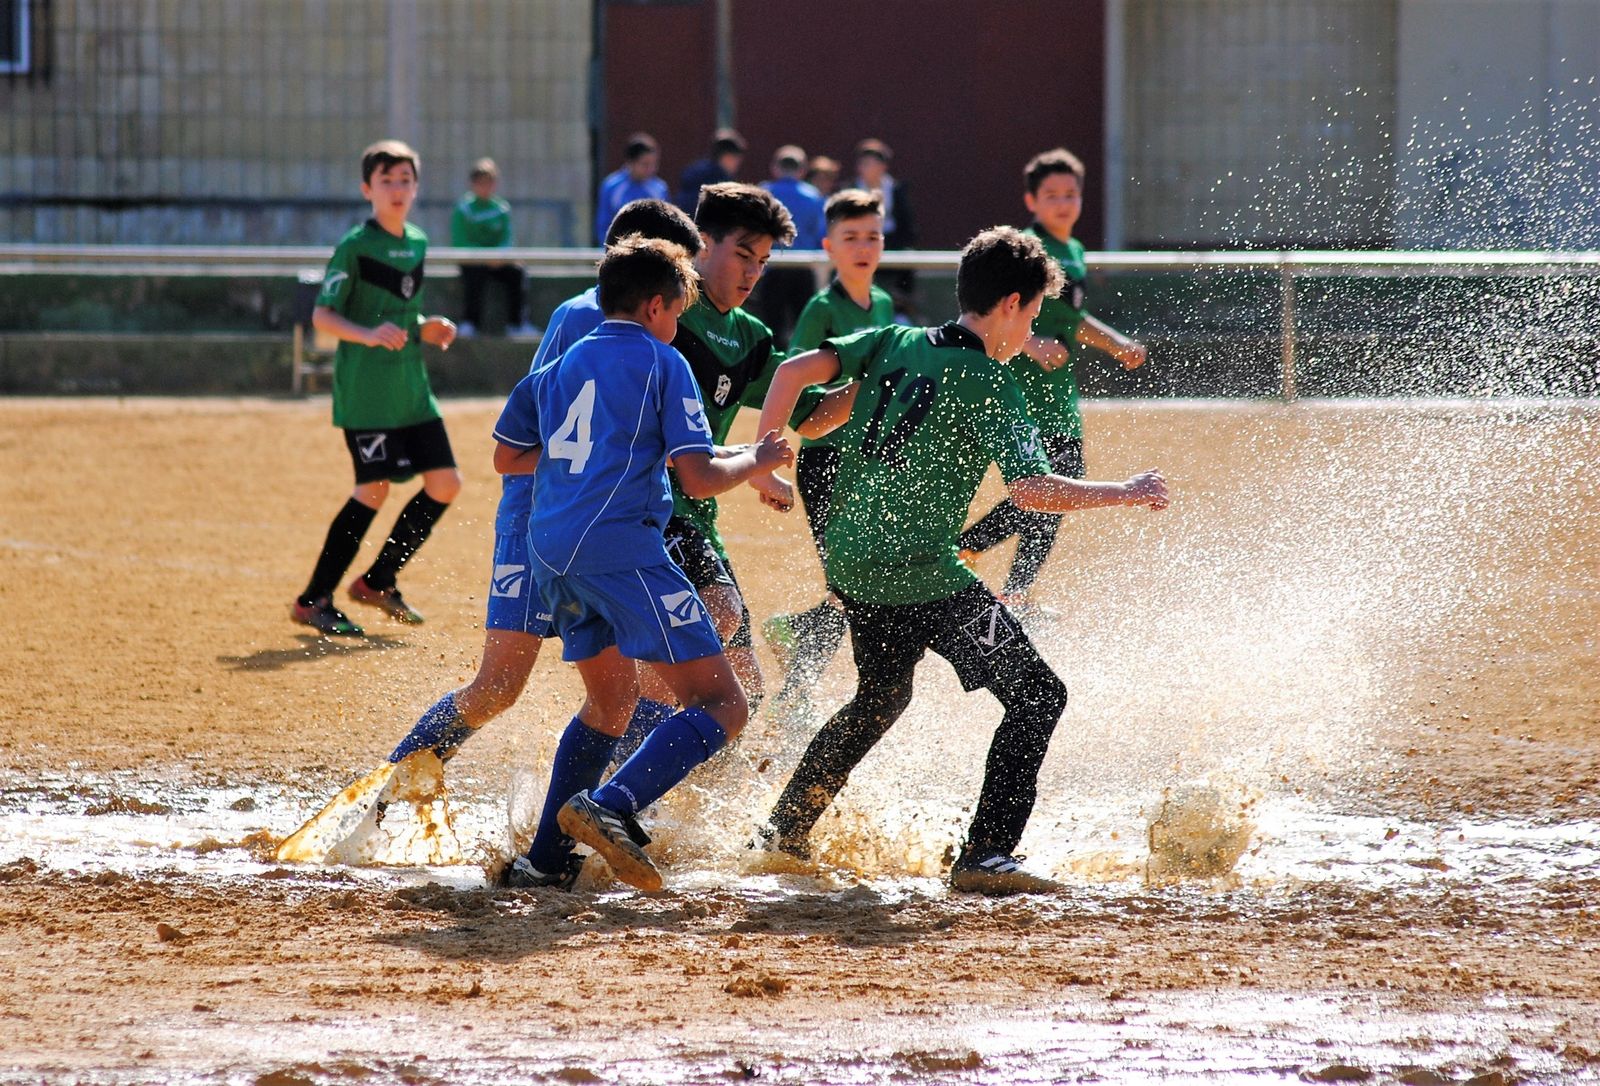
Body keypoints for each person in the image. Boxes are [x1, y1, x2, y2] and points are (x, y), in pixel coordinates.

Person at [752, 227, 1169, 895]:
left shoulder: (897, 340)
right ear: (1010, 304)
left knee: (879, 700)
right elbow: (1032, 491)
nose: (1030, 329)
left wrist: (765, 456)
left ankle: (782, 832)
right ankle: (987, 854)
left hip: (854, 563)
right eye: (1032, 314)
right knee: (1039, 696)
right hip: (922, 574)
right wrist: (1125, 492)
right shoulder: (993, 382)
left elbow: (794, 372)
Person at [383, 201, 706, 863]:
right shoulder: (591, 320)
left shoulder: (641, 329)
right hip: (544, 518)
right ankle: (386, 793)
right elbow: (538, 432)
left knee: (635, 686)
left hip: (591, 525)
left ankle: (580, 829)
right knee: (501, 685)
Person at [492, 235, 793, 892]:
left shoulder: (559, 364)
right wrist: (761, 461)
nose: (677, 325)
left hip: (551, 551)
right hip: (620, 547)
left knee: (612, 701)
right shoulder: (663, 363)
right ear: (656, 306)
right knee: (724, 705)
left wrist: (595, 464)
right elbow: (702, 475)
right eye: (677, 313)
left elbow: (508, 457)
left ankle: (543, 864)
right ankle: (610, 806)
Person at [957, 148, 1148, 613]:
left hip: (1058, 394)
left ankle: (1016, 593)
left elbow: (1073, 319)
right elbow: (983, 311)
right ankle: (968, 547)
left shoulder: (1075, 251)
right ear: (1031, 201)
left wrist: (1116, 344)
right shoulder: (1024, 249)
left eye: (1070, 193)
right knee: (1053, 486)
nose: (1063, 202)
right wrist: (1030, 344)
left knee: (1054, 495)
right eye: (1051, 195)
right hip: (1023, 393)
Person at [290, 139, 459, 637]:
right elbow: (323, 314)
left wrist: (427, 326)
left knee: (446, 483)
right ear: (368, 188)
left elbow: (403, 312)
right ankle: (313, 598)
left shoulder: (420, 242)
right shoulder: (355, 246)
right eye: (387, 180)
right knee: (374, 488)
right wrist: (366, 334)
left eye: (406, 179)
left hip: (412, 388)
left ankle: (379, 580)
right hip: (367, 393)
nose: (397, 188)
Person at [664, 182, 797, 716]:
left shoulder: (752, 336)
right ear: (702, 241)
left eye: (762, 261)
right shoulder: (665, 312)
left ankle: (665, 784)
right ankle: (619, 771)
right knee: (712, 626)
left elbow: (812, 407)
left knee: (744, 690)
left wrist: (879, 372)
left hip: (700, 513)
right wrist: (752, 463)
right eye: (743, 255)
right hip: (652, 508)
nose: (752, 273)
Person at [761, 189, 893, 721]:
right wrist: (857, 393)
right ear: (828, 247)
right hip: (826, 463)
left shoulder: (882, 304)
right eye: (850, 238)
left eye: (872, 236)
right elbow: (796, 395)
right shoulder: (821, 310)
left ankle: (796, 634)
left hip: (866, 460)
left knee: (858, 581)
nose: (863, 247)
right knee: (852, 582)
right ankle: (794, 697)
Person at [451, 157, 535, 339]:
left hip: (498, 261)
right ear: (472, 184)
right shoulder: (463, 209)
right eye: (481, 182)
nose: (485, 187)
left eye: (489, 182)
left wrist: (499, 257)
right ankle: (470, 323)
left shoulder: (501, 208)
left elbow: (507, 239)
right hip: (473, 262)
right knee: (474, 276)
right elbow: (460, 242)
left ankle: (517, 324)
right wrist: (483, 257)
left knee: (517, 272)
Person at [752, 144, 827, 347]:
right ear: (802, 170)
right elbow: (821, 234)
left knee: (772, 328)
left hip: (772, 268)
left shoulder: (765, 193)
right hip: (803, 268)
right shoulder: (814, 197)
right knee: (806, 328)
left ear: (775, 168)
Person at [595, 133, 671, 245]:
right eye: (645, 164)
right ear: (630, 162)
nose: (651, 169)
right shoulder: (612, 187)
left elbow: (667, 225)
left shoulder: (659, 189)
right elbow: (603, 224)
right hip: (619, 250)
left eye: (654, 164)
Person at [675, 128, 746, 213]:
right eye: (736, 159)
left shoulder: (694, 172)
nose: (738, 164)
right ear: (727, 157)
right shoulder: (721, 183)